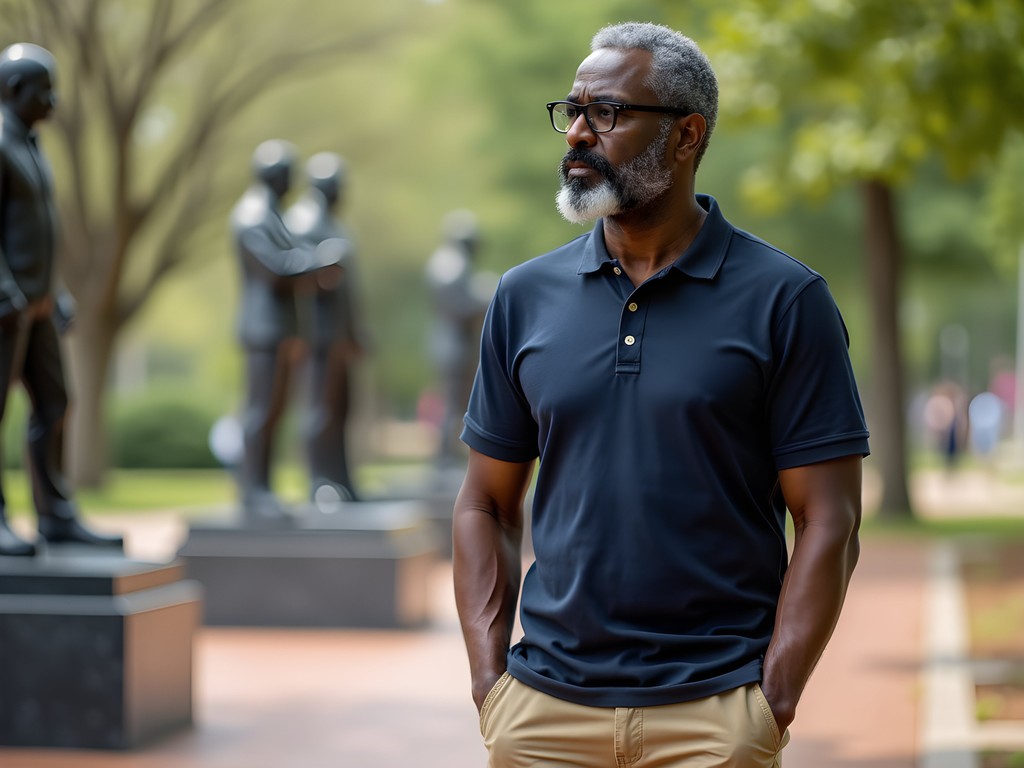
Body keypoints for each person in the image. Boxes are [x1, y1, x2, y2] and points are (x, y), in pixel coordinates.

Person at [453, 22, 869, 767]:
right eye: (572, 110)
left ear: (686, 136)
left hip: (715, 715)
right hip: (544, 715)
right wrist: (491, 685)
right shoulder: (524, 297)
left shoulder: (785, 299)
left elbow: (829, 518)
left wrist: (770, 701)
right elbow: (485, 502)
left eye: (607, 112)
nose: (578, 132)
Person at [0, 43, 122, 557]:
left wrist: (57, 292)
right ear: (14, 90)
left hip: (40, 305)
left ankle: (56, 515)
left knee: (55, 403)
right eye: (45, 90)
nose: (54, 101)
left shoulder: (31, 145)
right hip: (8, 305)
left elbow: (39, 232)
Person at [230, 140, 344, 522]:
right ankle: (252, 490)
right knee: (260, 411)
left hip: (281, 329)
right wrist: (320, 261)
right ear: (274, 176)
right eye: (288, 175)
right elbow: (275, 268)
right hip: (263, 328)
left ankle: (263, 487)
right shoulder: (251, 216)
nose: (293, 182)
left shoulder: (272, 214)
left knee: (275, 411)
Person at [285, 152, 365, 502]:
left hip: (338, 335)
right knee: (319, 409)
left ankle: (341, 479)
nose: (341, 192)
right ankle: (318, 481)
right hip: (317, 333)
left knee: (341, 409)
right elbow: (301, 277)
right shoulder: (303, 221)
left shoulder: (333, 223)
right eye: (337, 185)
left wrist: (354, 332)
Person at [424, 209, 492, 470]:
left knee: (458, 403)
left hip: (455, 343)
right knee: (452, 404)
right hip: (453, 345)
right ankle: (445, 460)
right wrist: (485, 294)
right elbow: (460, 306)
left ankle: (450, 457)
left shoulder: (450, 262)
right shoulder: (451, 264)